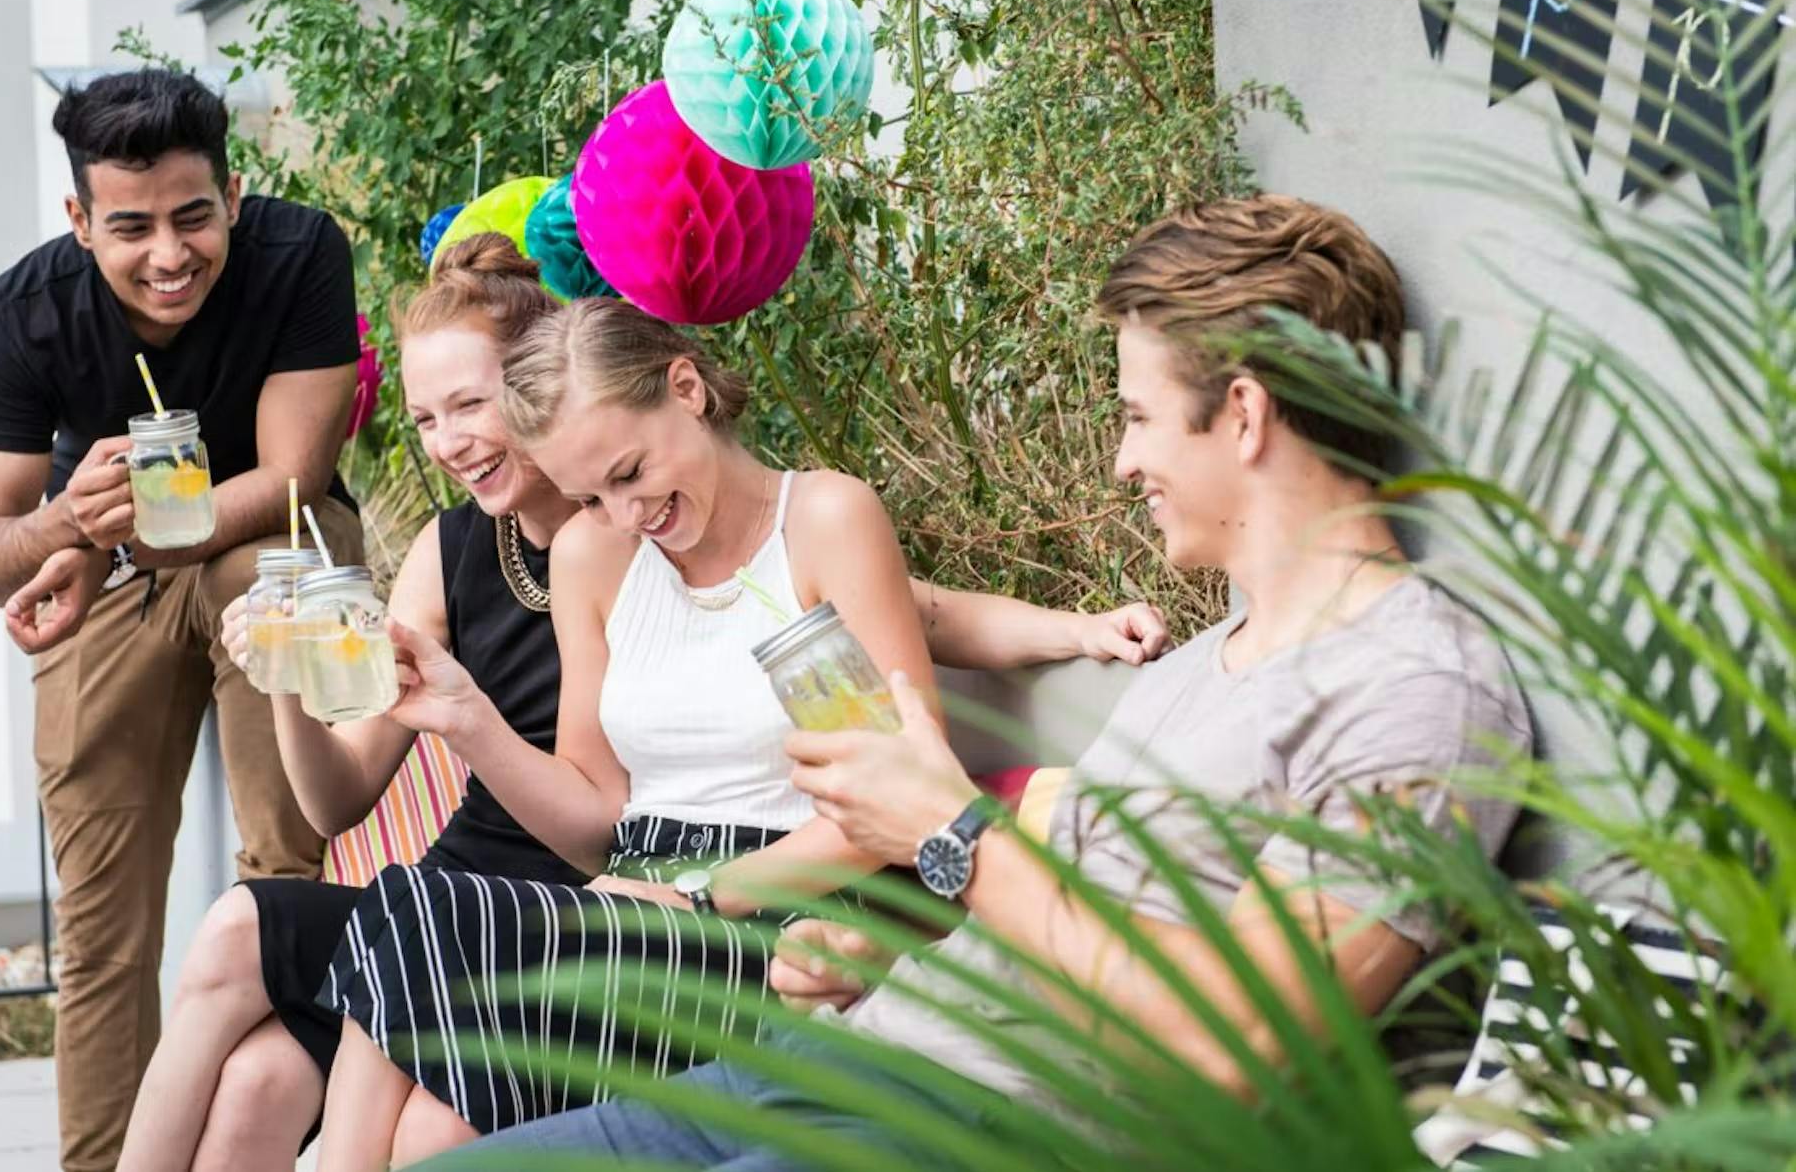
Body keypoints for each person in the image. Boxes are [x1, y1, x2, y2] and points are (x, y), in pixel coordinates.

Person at [438, 194, 1533, 1170]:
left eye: (1138, 416)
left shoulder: (1414, 688)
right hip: (852, 1057)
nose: (1122, 461)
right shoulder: (1202, 667)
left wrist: (951, 830)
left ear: (1242, 415)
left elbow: (1244, 1040)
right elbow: (1077, 901)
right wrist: (889, 948)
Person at [102, 244, 1166, 1172]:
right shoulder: (594, 554)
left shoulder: (826, 519)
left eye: (629, 471)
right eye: (593, 492)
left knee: (409, 906)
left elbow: (900, 792)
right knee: (429, 1125)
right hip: (631, 908)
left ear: (686, 388)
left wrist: (699, 895)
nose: (626, 512)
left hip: (767, 910)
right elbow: (595, 823)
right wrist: (465, 711)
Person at [0, 68, 364, 1172]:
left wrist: (117, 541)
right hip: (106, 578)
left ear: (233, 196)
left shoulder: (298, 254)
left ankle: (265, 1143)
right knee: (102, 925)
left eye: (193, 217)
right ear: (81, 220)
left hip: (260, 554)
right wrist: (61, 529)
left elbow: (291, 477)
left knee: (286, 880)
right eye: (131, 227)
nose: (169, 255)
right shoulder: (26, 313)